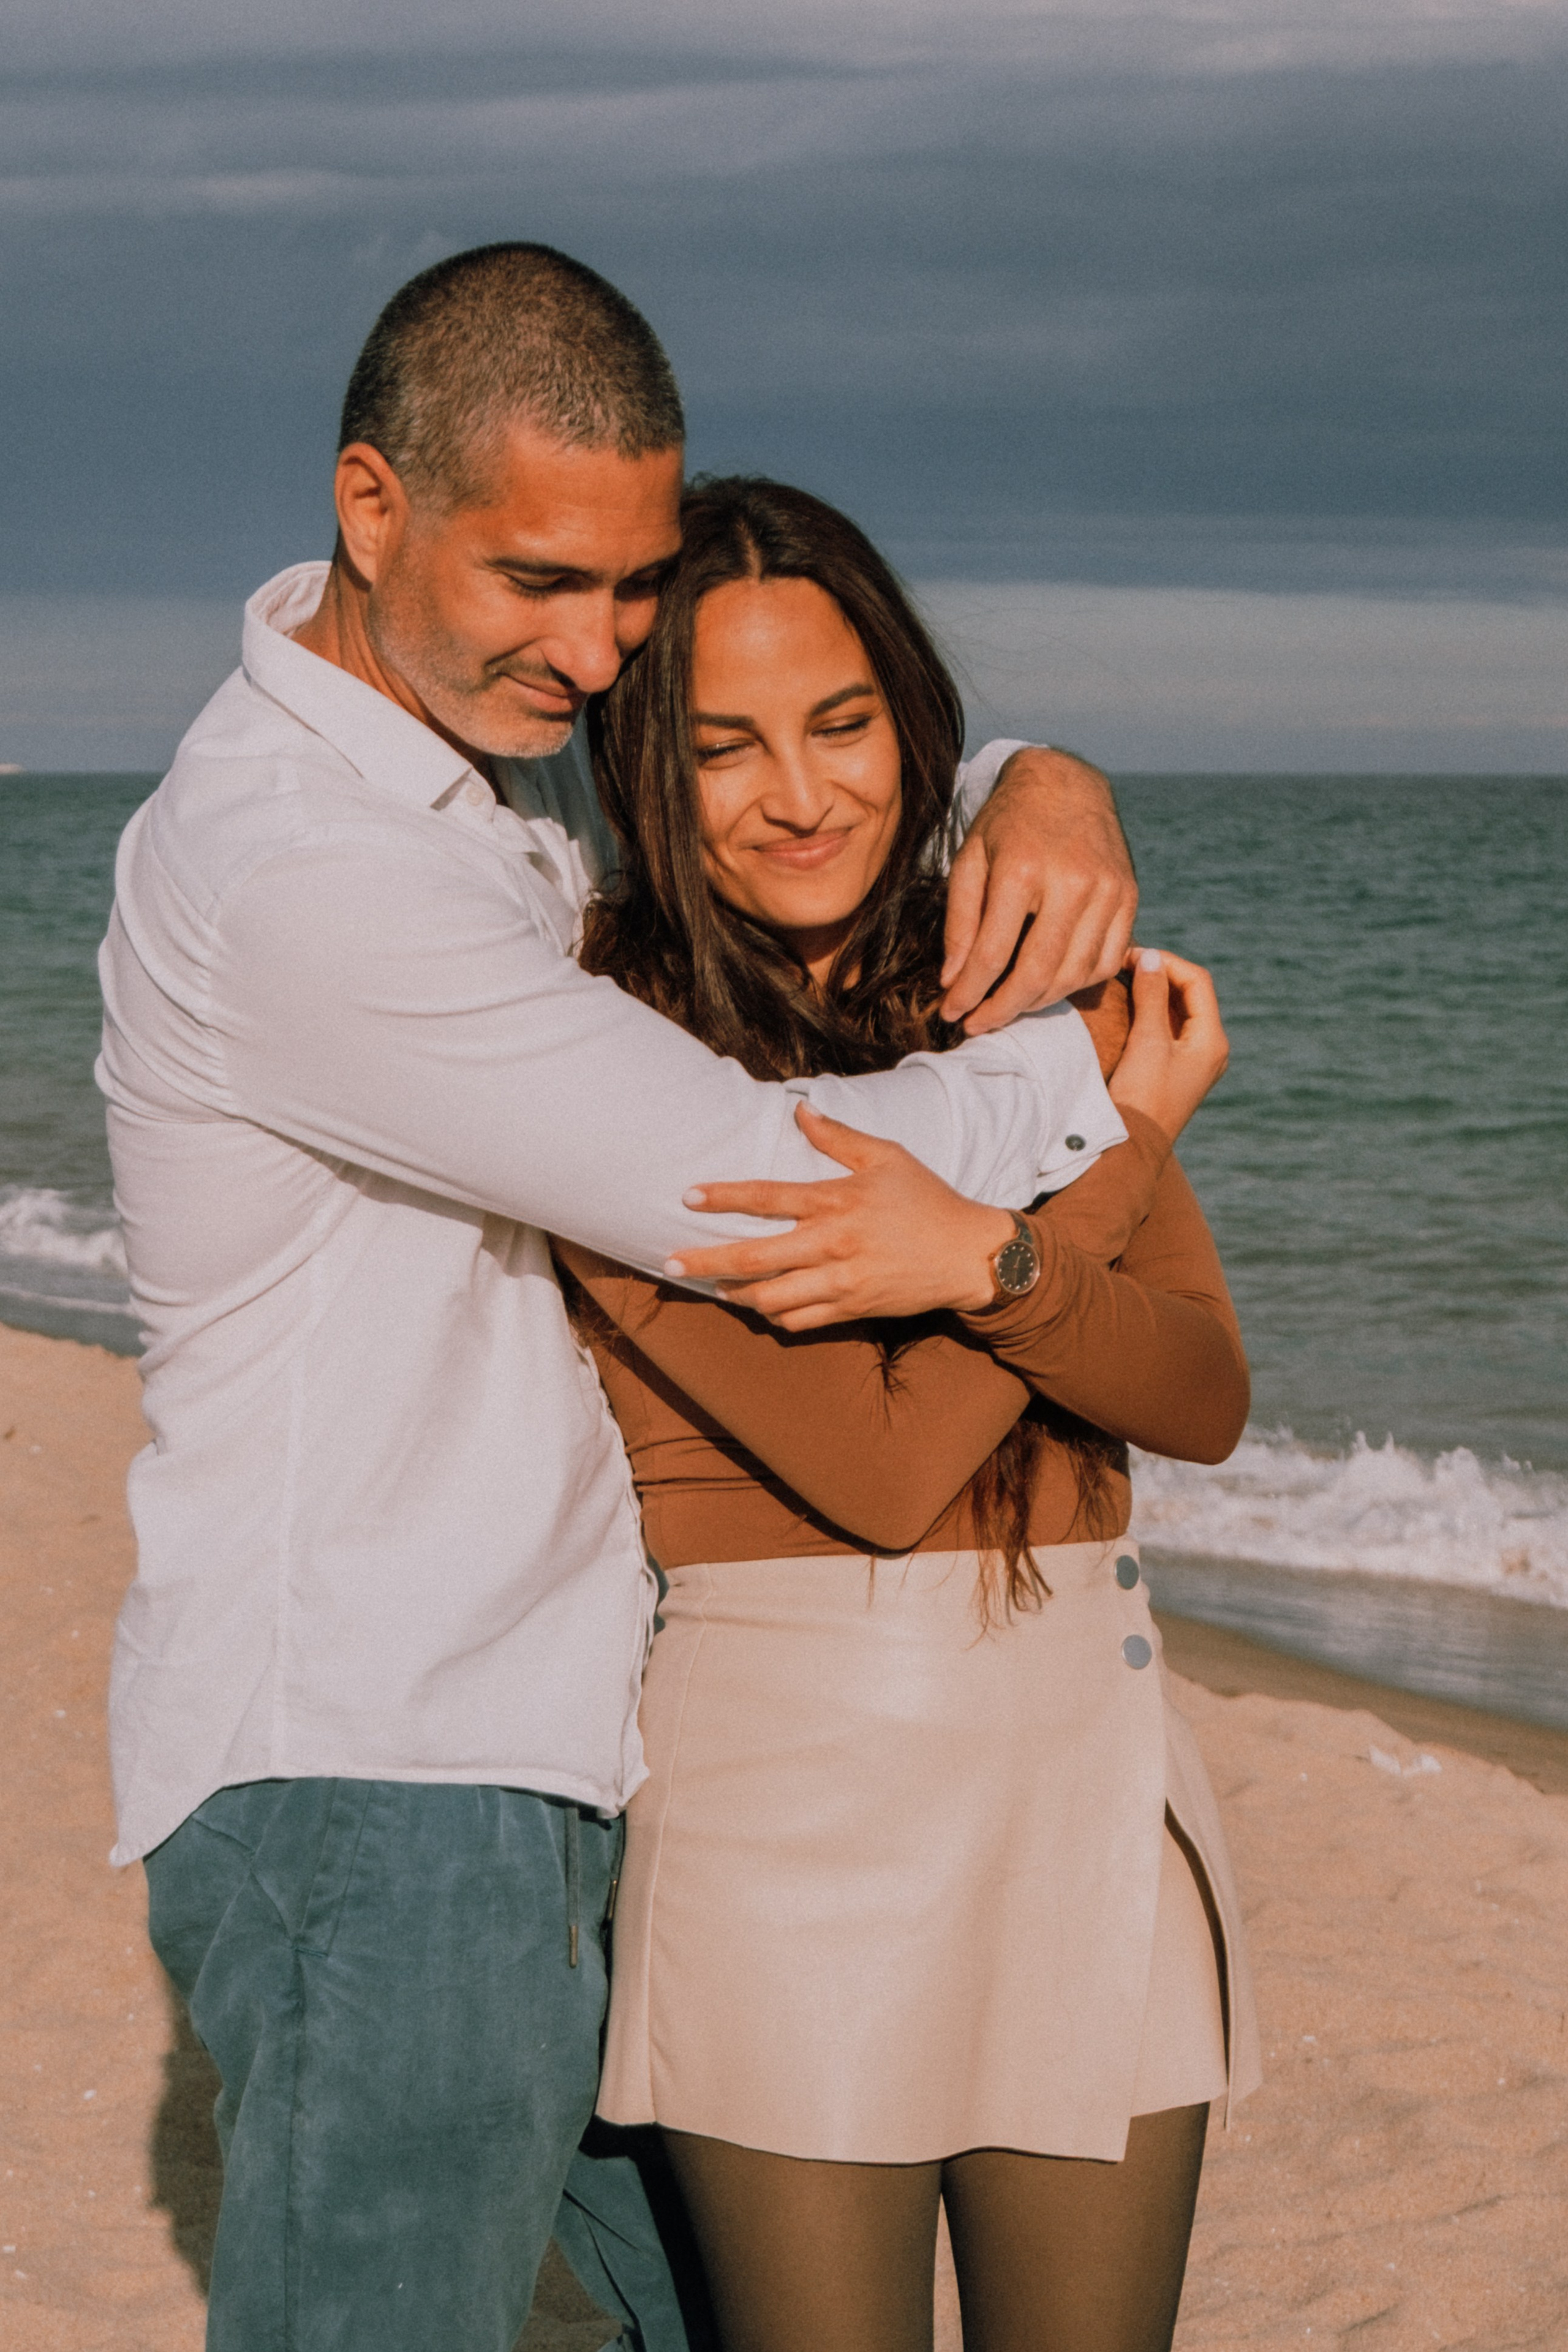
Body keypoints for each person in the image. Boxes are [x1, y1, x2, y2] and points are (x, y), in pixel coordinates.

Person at [99, 243, 1140, 2352]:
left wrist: (1035, 772)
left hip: (553, 1756)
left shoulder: (475, 763)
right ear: (371, 507)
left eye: (627, 583)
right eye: (538, 583)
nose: (595, 651)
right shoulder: (303, 862)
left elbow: (787, 786)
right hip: (373, 1772)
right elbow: (747, 1187)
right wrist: (1099, 1066)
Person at [550, 476, 1262, 2352]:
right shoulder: (598, 1062)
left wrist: (998, 1257)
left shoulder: (1013, 994)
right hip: (791, 1818)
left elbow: (1201, 1394)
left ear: (915, 728)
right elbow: (878, 1471)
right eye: (725, 746)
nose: (803, 792)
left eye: (844, 724)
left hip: (1088, 1787)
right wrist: (1107, 1151)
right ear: (647, 772)